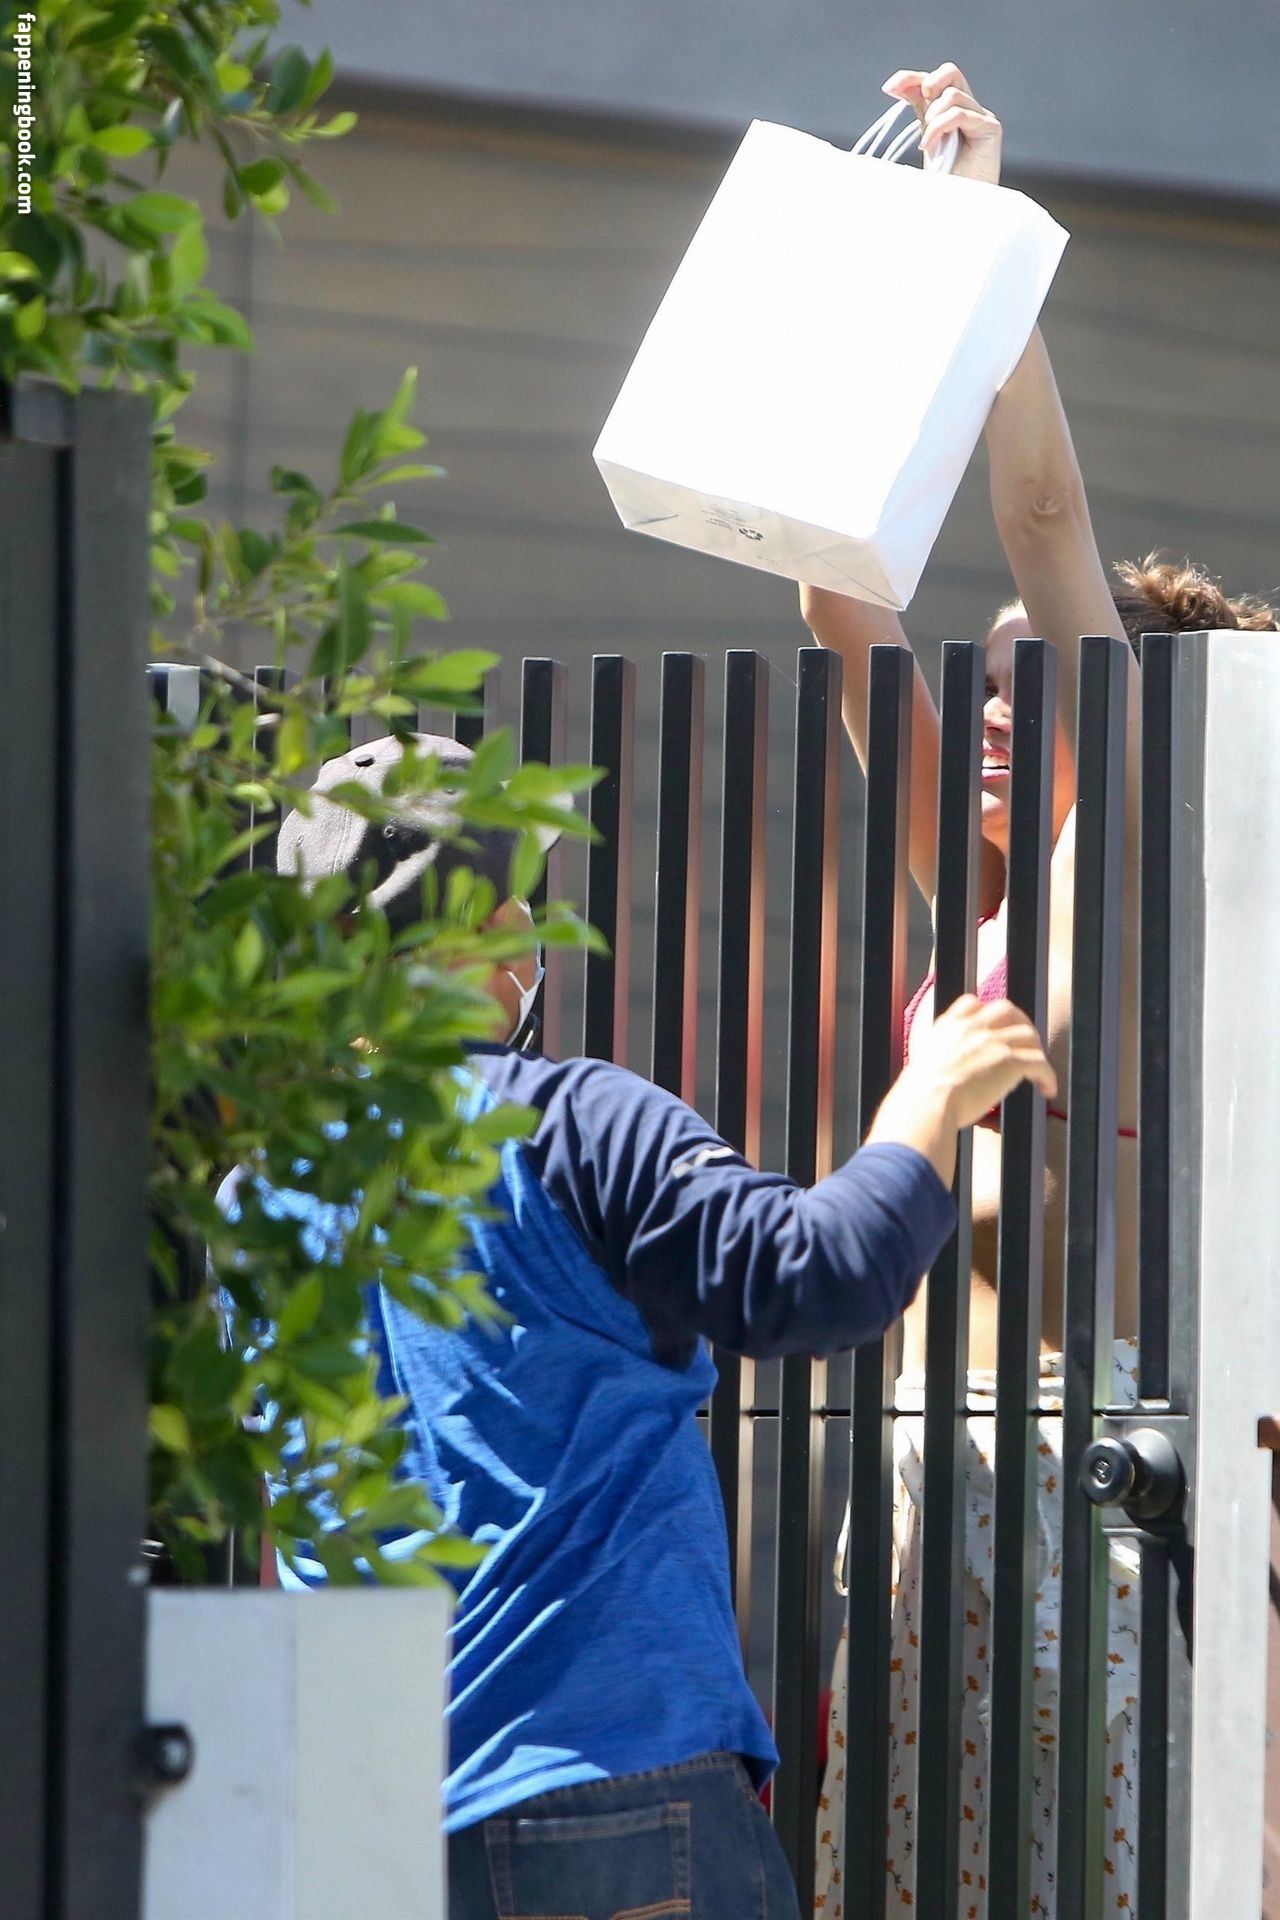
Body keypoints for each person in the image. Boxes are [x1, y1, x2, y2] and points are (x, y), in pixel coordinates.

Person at [240, 731, 1055, 1920]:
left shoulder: (257, 1192)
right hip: (605, 1783)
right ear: (487, 937)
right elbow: (809, 1278)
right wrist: (926, 1098)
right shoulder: (567, 1125)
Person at [806, 63, 1279, 1920]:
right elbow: (842, 606)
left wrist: (994, 242)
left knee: (1071, 1879)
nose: (988, 707)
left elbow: (1040, 515)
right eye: (983, 683)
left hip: (1083, 1457)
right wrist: (881, 290)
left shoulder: (1130, 862)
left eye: (1030, 683)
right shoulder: (985, 903)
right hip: (929, 1460)